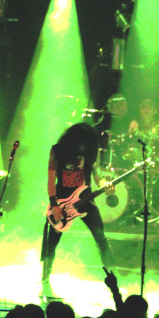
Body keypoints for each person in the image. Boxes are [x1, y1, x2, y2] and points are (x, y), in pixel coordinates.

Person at [41, 123, 115, 290]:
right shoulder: (57, 151)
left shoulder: (91, 152)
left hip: (85, 200)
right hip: (62, 202)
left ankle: (113, 274)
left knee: (101, 238)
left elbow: (98, 175)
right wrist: (54, 205)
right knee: (51, 242)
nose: (84, 147)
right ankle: (45, 275)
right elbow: (51, 180)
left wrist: (105, 184)